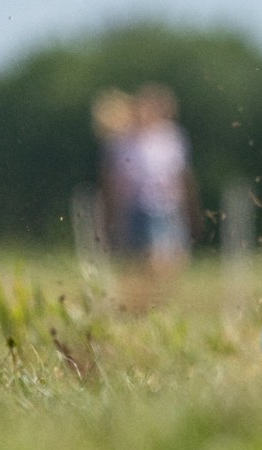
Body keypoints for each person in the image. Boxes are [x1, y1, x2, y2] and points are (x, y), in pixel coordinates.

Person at [92, 84, 202, 310]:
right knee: (148, 262)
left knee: (174, 261)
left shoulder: (172, 137)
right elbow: (112, 181)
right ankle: (137, 305)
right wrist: (111, 213)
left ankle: (144, 304)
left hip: (169, 207)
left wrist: (190, 207)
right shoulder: (123, 141)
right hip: (139, 207)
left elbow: (182, 176)